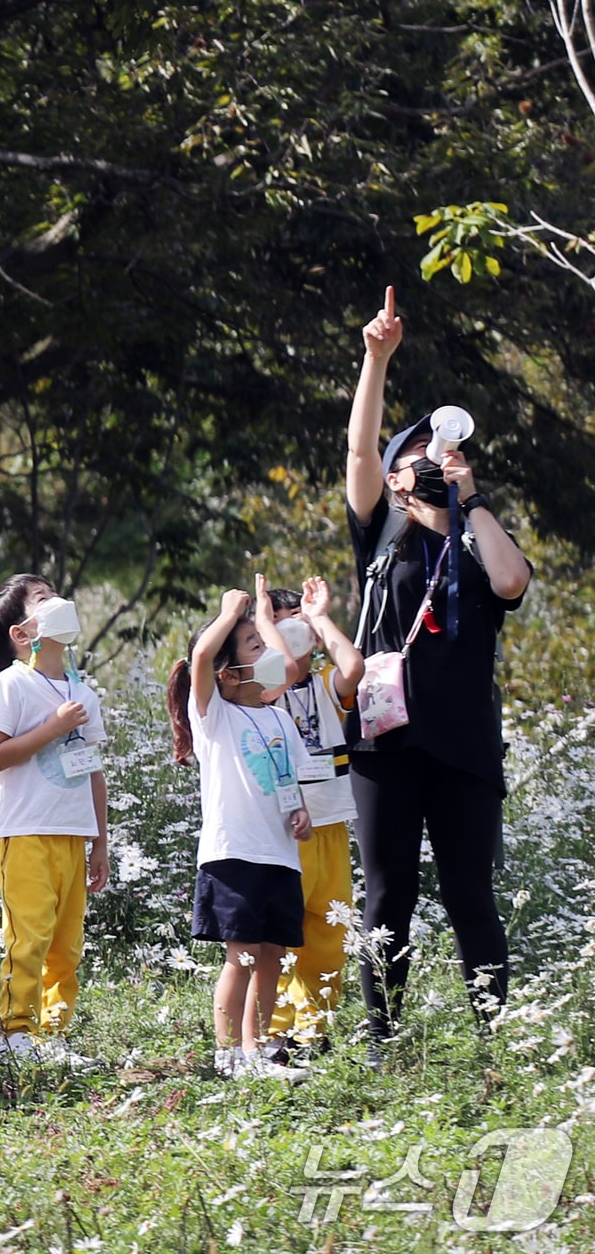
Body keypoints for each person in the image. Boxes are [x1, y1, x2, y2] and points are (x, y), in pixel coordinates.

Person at [346, 287, 531, 1061]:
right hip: (387, 745)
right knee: (389, 896)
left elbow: (514, 583)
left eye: (438, 451)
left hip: (464, 745)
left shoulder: (476, 535)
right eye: (415, 452)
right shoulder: (381, 531)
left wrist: (470, 497)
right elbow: (359, 451)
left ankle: (491, 1045)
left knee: (469, 897)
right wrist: (376, 357)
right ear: (394, 477)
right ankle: (384, 1038)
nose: (427, 459)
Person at [166, 582, 312, 1081]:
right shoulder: (215, 716)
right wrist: (230, 612)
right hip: (235, 855)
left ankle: (259, 1048)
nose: (269, 652)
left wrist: (301, 813)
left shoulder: (280, 719)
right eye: (255, 646)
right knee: (243, 956)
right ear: (229, 675)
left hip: (280, 856)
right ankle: (229, 1053)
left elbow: (289, 781)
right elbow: (202, 656)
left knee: (272, 955)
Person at [0, 575, 109, 1065]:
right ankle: (14, 1035)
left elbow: (93, 769)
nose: (61, 604)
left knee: (66, 944)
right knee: (28, 937)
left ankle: (53, 1036)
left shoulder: (82, 692)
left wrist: (101, 843)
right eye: (45, 600)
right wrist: (53, 728)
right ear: (22, 632)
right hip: (25, 834)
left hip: (74, 835)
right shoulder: (13, 683)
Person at [261, 578, 363, 1056]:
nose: (291, 639)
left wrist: (319, 619)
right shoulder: (263, 693)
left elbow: (354, 666)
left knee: (328, 930)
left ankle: (312, 1029)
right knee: (281, 930)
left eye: (295, 629)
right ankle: (273, 1029)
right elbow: (276, 672)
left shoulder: (324, 685)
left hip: (331, 824)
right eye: (278, 629)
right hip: (284, 830)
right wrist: (268, 628)